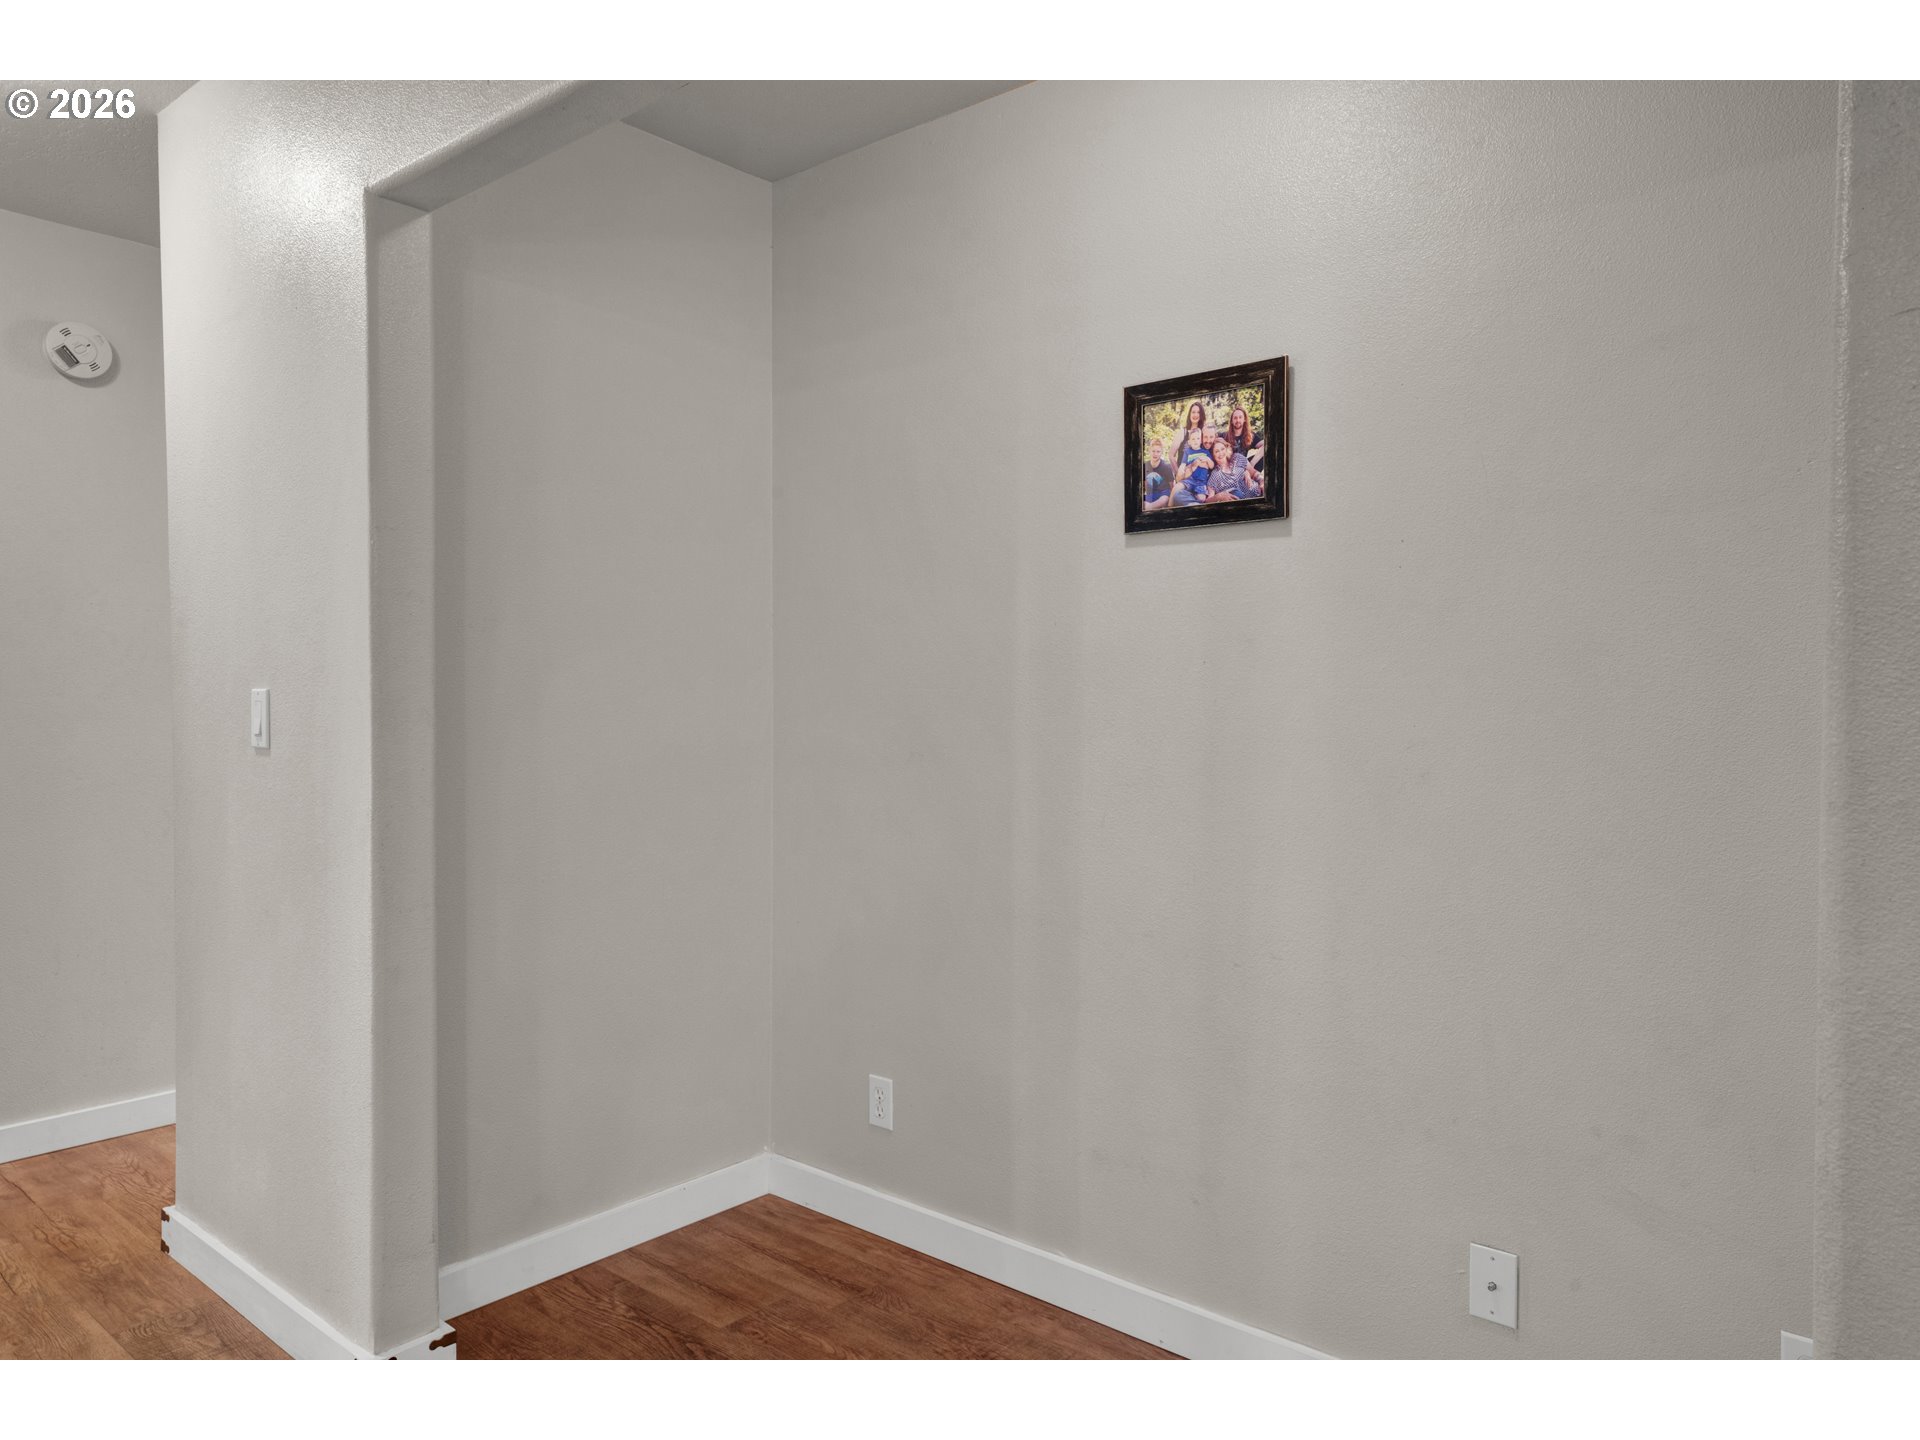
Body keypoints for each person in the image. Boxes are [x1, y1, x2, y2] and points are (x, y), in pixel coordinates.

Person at [1204, 436, 1257, 501]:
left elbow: (1254, 473)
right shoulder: (1215, 475)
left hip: (1258, 492)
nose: (1221, 453)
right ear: (1213, 455)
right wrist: (1218, 496)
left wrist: (1248, 474)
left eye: (1222, 449)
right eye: (1217, 451)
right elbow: (1207, 501)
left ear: (1226, 449)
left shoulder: (1237, 458)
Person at [1141, 437, 1176, 510]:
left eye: (1158, 451)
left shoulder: (1166, 467)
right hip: (1152, 494)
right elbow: (1144, 484)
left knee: (1164, 499)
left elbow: (1171, 486)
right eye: (1153, 451)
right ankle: (1149, 505)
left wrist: (1171, 501)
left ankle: (1150, 507)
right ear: (1149, 451)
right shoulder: (1145, 466)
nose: (1155, 454)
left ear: (1161, 452)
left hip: (1163, 493)